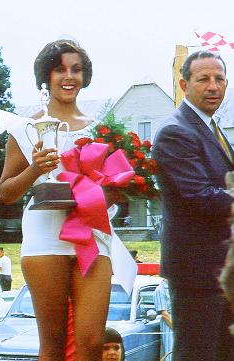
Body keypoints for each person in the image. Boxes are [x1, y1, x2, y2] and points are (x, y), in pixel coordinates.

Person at [0, 39, 136, 361]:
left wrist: (115, 190)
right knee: (54, 346)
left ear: (85, 76)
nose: (68, 76)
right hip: (44, 237)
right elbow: (6, 193)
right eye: (59, 69)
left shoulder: (102, 129)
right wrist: (35, 169)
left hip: (92, 235)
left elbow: (115, 184)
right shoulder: (26, 127)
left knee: (91, 344)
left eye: (76, 69)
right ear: (46, 77)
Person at [152, 50, 234, 361]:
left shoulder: (213, 128)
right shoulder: (176, 131)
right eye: (204, 79)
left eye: (220, 79)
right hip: (197, 271)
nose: (213, 86)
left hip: (222, 270)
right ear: (184, 85)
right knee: (197, 354)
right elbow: (201, 197)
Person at [153, 278, 173, 361]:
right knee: (171, 353)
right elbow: (164, 314)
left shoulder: (177, 287)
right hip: (170, 326)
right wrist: (178, 329)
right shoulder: (159, 290)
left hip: (181, 323)